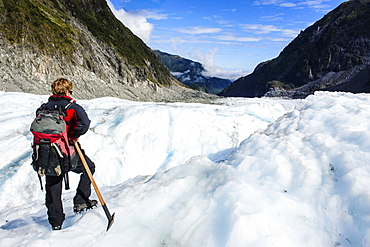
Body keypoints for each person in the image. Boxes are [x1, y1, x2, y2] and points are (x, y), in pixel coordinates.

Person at [37, 77, 97, 230]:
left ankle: (56, 222)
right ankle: (81, 200)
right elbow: (85, 123)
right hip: (68, 151)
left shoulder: (43, 108)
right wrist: (73, 135)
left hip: (47, 152)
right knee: (88, 168)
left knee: (53, 185)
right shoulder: (72, 107)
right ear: (68, 90)